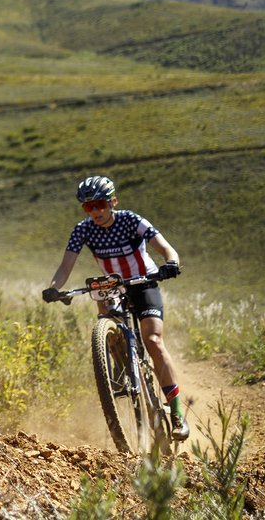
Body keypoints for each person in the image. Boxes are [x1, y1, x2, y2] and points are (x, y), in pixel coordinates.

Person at [42, 175, 189, 440]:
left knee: (153, 341)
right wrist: (54, 287)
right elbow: (66, 266)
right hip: (111, 286)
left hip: (143, 281)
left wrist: (172, 262)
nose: (95, 211)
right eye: (88, 207)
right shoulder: (83, 229)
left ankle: (177, 414)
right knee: (102, 308)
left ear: (112, 202)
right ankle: (119, 357)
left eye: (99, 204)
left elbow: (166, 248)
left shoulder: (131, 220)